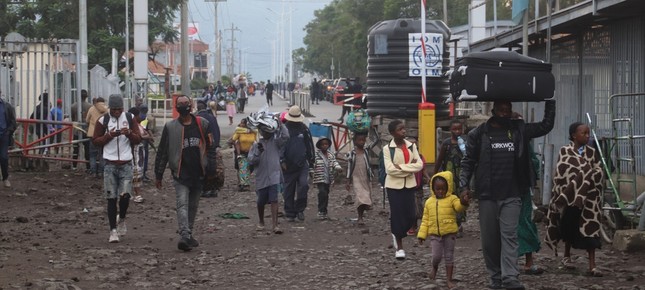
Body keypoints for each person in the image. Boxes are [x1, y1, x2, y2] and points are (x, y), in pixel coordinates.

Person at [459, 99, 555, 290]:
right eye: (501, 110)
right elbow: (468, 161)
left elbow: (546, 125)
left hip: (512, 194)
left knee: (510, 236)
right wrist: (463, 186)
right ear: (493, 110)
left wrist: (550, 101)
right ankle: (495, 278)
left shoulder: (520, 129)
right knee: (490, 241)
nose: (504, 113)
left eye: (507, 110)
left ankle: (510, 277)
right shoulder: (478, 134)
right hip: (487, 196)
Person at [154, 95, 216, 251]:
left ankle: (188, 233)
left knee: (193, 206)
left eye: (185, 103)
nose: (183, 106)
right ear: (176, 107)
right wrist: (158, 174)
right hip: (180, 174)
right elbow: (163, 152)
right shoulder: (170, 127)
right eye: (180, 104)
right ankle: (185, 235)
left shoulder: (203, 124)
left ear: (191, 105)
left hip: (198, 173)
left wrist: (211, 170)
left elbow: (210, 148)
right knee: (182, 204)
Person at [545, 122, 604, 277]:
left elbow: (598, 171)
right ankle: (566, 255)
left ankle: (592, 265)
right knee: (569, 227)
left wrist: (588, 176)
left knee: (590, 229)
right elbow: (561, 172)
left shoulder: (591, 152)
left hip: (589, 199)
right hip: (571, 199)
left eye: (588, 133)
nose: (587, 136)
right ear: (573, 135)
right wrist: (576, 180)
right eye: (583, 133)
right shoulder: (565, 151)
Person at [92, 94, 142, 243]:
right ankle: (113, 230)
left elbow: (138, 138)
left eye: (119, 109)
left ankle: (123, 218)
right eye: (114, 110)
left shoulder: (130, 118)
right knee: (111, 198)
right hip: (109, 164)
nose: (117, 112)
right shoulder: (102, 121)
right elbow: (95, 141)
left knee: (125, 196)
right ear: (110, 109)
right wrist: (109, 136)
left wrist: (129, 134)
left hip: (126, 163)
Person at [417, 171, 469, 289]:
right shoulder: (429, 202)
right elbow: (425, 220)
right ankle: (434, 267)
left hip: (449, 233)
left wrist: (464, 202)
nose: (440, 191)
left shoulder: (452, 199)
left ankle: (449, 279)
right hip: (435, 234)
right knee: (436, 256)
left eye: (443, 189)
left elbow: (459, 207)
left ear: (448, 187)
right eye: (437, 189)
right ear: (433, 188)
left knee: (449, 256)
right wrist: (422, 235)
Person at [383, 119, 424, 260]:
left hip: (409, 185)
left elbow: (419, 165)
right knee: (397, 215)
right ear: (392, 133)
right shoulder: (388, 149)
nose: (404, 131)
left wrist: (401, 167)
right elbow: (390, 170)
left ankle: (397, 233)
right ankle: (399, 247)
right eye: (400, 129)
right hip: (394, 186)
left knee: (411, 216)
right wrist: (409, 168)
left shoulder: (411, 146)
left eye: (404, 129)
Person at [247, 115, 289, 234]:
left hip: (274, 175)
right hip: (261, 177)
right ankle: (261, 221)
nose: (266, 134)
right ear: (261, 131)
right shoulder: (256, 145)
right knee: (261, 201)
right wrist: (258, 152)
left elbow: (286, 136)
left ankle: (275, 225)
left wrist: (280, 123)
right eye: (264, 131)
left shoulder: (276, 143)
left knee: (274, 199)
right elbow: (251, 161)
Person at [281, 105, 315, 222]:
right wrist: (282, 160)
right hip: (288, 165)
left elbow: (309, 146)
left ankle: (300, 209)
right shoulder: (283, 129)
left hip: (302, 164)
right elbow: (280, 147)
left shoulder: (304, 129)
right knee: (288, 190)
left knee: (303, 185)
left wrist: (311, 162)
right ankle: (290, 212)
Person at [434, 119, 466, 236]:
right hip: (449, 177)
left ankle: (459, 223)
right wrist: (435, 174)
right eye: (454, 129)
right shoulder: (446, 143)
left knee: (461, 198)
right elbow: (440, 160)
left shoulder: (465, 143)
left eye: (459, 129)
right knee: (449, 198)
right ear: (450, 130)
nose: (457, 131)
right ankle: (451, 222)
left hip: (462, 176)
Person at [311, 137, 342, 220]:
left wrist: (338, 167)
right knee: (322, 193)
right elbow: (312, 165)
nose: (325, 146)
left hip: (328, 178)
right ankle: (321, 210)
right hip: (319, 178)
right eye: (323, 144)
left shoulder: (330, 155)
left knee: (326, 194)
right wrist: (311, 172)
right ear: (320, 146)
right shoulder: (316, 155)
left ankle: (324, 211)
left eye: (326, 144)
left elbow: (334, 162)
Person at [346, 132, 373, 225]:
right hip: (356, 177)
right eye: (359, 140)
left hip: (365, 177)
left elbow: (376, 141)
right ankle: (360, 217)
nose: (362, 142)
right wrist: (348, 180)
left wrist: (372, 131)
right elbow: (349, 167)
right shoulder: (352, 153)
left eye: (363, 140)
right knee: (359, 197)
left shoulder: (366, 150)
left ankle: (364, 209)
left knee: (366, 196)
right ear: (355, 141)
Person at [196, 100, 221, 197]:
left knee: (202, 167)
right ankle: (213, 188)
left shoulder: (197, 118)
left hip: (201, 146)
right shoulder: (212, 117)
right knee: (212, 166)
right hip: (212, 145)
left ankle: (204, 189)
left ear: (197, 108)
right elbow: (217, 131)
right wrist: (216, 144)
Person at [407, 137, 430, 236]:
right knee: (410, 207)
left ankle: (415, 225)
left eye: (415, 144)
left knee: (418, 206)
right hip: (407, 187)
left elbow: (423, 169)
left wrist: (428, 178)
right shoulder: (405, 157)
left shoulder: (420, 157)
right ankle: (412, 226)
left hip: (418, 186)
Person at [128, 107, 152, 203]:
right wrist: (142, 137)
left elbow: (146, 135)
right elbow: (143, 136)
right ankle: (136, 194)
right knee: (135, 173)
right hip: (134, 152)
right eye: (138, 115)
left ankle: (131, 194)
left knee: (137, 173)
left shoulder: (138, 125)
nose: (140, 117)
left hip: (139, 152)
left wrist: (142, 137)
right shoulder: (131, 126)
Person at [229, 118, 257, 192]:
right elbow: (233, 140)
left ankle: (244, 182)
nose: (241, 124)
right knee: (241, 168)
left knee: (249, 168)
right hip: (241, 152)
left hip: (250, 153)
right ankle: (242, 184)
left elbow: (256, 141)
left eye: (243, 123)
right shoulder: (239, 132)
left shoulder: (254, 132)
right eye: (241, 123)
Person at [86, 97, 108, 177]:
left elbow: (87, 120)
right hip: (102, 134)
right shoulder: (107, 109)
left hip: (92, 134)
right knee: (102, 154)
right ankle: (101, 172)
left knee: (92, 154)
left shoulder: (92, 109)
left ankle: (93, 172)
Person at [71, 89, 92, 172]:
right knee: (87, 149)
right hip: (86, 130)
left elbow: (73, 119)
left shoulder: (73, 106)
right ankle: (88, 166)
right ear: (86, 97)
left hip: (76, 130)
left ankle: (74, 166)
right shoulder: (90, 106)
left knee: (75, 149)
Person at [0, 91, 17, 188]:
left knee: (3, 157)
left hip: (4, 136)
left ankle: (5, 178)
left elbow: (13, 121)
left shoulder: (7, 106)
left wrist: (8, 131)